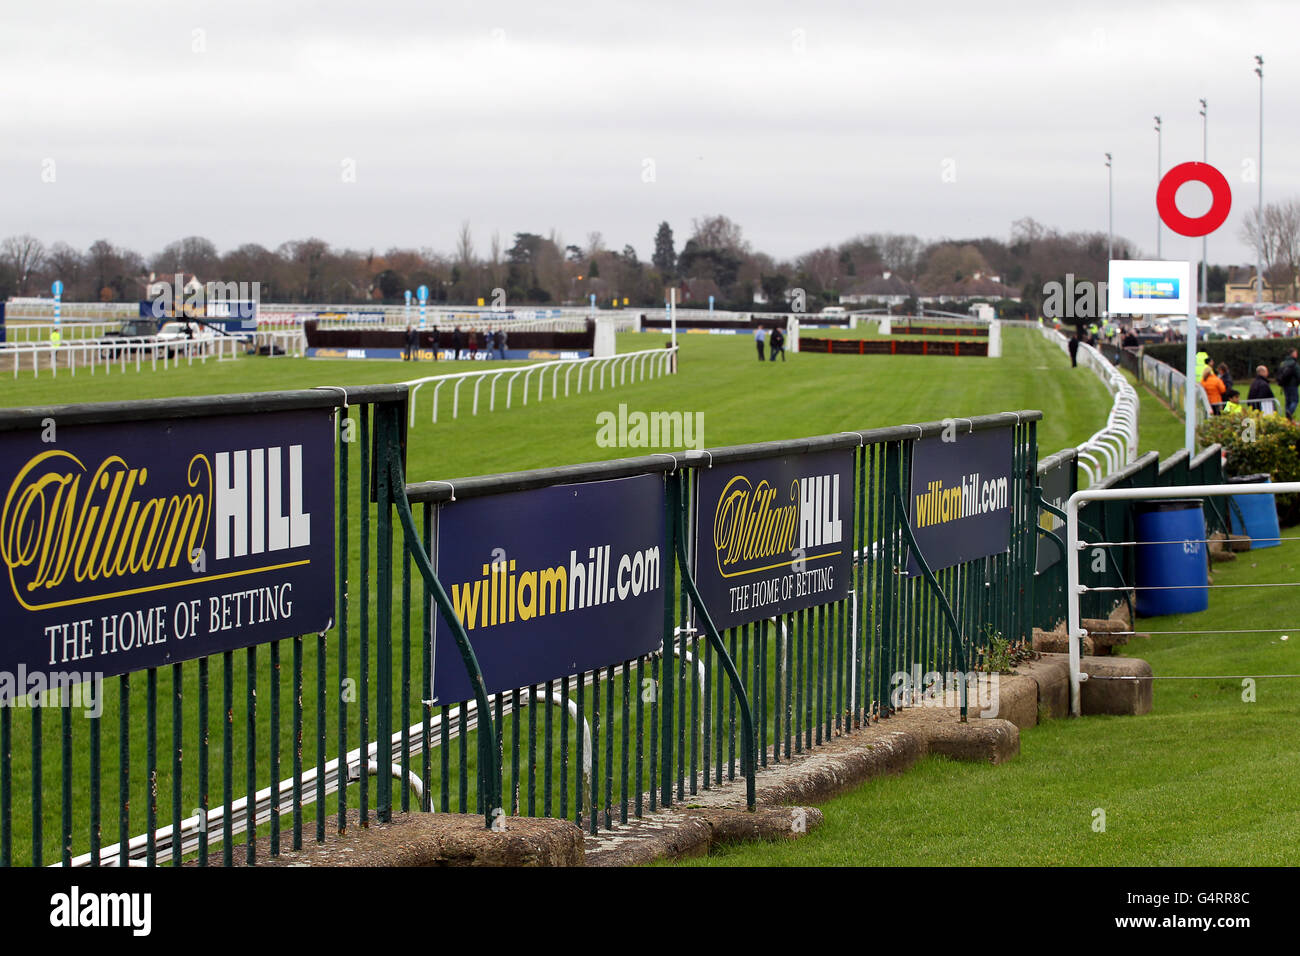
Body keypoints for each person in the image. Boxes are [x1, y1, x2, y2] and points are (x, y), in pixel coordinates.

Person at [1278, 348, 1300, 421]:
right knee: (1295, 400)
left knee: (1287, 401)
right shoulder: (1294, 363)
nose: (1297, 354)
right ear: (1293, 354)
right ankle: (1289, 412)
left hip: (1284, 385)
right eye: (1296, 353)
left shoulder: (1283, 363)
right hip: (1293, 385)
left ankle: (1288, 419)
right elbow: (1298, 374)